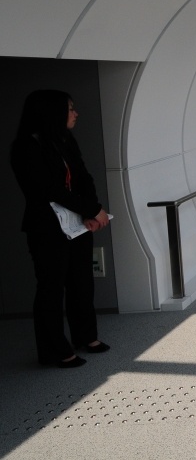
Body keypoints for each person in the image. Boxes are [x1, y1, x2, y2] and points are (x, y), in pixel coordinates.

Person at [10, 90, 111, 368]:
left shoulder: (65, 141)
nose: (75, 113)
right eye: (69, 109)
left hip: (76, 223)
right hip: (47, 228)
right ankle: (55, 349)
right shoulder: (26, 147)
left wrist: (91, 209)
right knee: (51, 288)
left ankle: (86, 336)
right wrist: (90, 210)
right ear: (51, 113)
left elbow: (83, 176)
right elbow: (47, 189)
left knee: (81, 281)